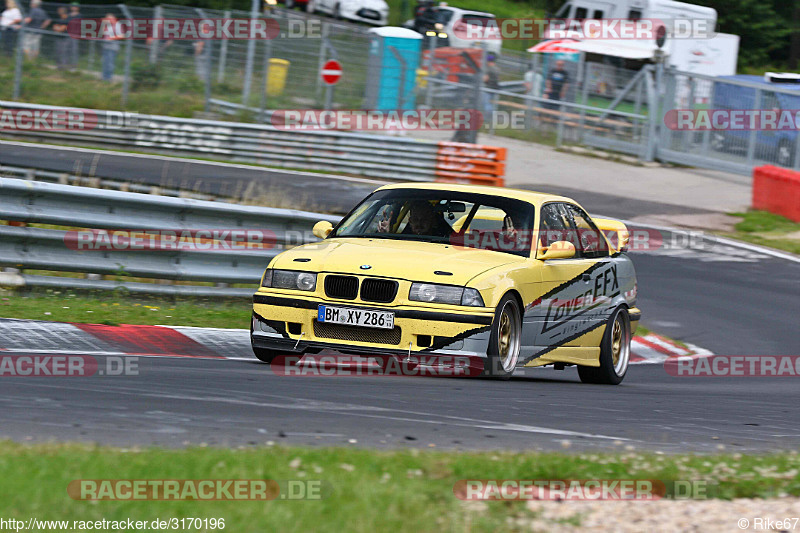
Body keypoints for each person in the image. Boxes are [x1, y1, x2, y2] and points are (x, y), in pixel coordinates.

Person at [377, 200, 453, 238]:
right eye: (416, 219)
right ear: (410, 221)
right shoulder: (400, 241)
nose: (419, 223)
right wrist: (386, 235)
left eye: (424, 220)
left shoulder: (445, 242)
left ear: (432, 221)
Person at [100, 13, 122, 82]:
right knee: (105, 62)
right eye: (107, 18)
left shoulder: (118, 25)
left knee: (110, 63)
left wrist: (111, 38)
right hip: (106, 46)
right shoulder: (107, 25)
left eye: (110, 18)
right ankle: (104, 77)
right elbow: (102, 33)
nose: (108, 20)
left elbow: (121, 35)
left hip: (113, 47)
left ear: (114, 18)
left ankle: (109, 78)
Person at [482, 53, 500, 124]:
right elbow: (498, 78)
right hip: (495, 89)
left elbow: (485, 79)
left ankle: (487, 119)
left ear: (488, 61)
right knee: (493, 104)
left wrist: (482, 80)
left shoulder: (489, 69)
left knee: (487, 104)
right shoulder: (497, 69)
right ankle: (494, 118)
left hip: (488, 88)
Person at [65, 2, 80, 68]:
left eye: (75, 7)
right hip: (67, 34)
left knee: (74, 50)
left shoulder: (79, 15)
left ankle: (73, 66)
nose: (74, 8)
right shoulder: (68, 15)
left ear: (78, 8)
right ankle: (65, 64)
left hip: (75, 35)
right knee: (66, 49)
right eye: (73, 6)